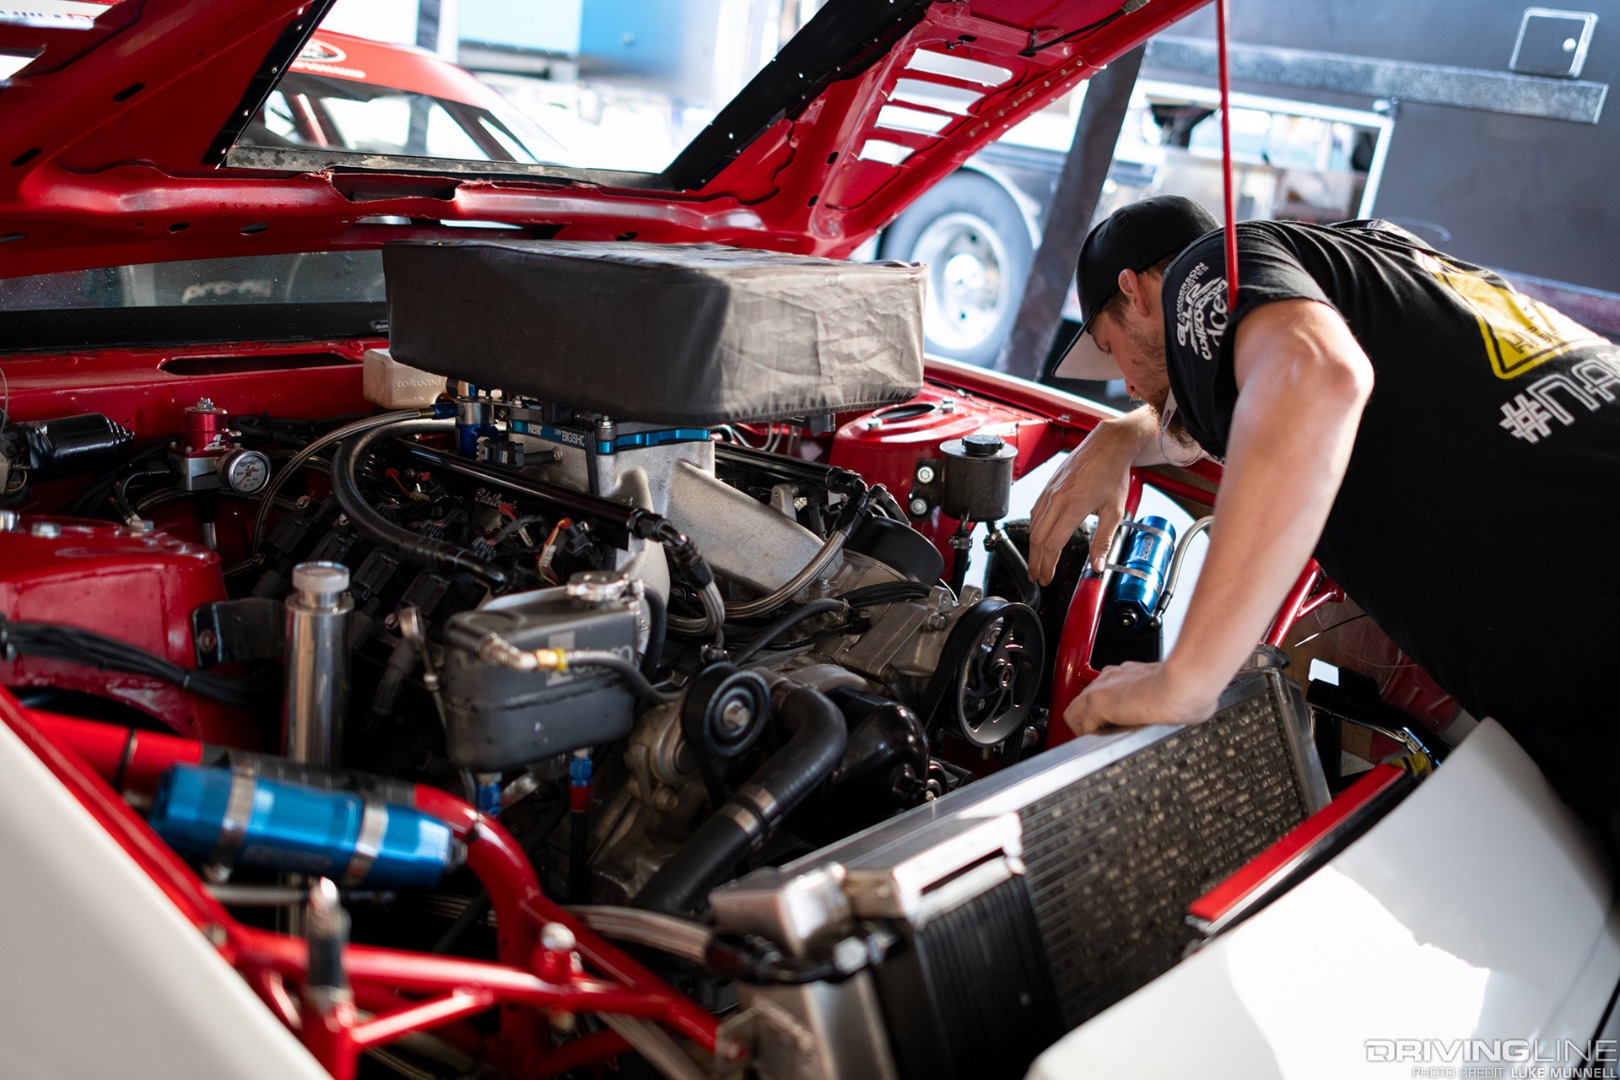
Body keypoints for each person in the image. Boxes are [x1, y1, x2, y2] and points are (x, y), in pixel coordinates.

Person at [1027, 195, 1619, 832]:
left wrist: (1185, 678)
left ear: (1135, 291)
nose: (1127, 385)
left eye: (1111, 347)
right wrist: (1122, 434)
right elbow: (1250, 388)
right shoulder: (1372, 252)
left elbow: (1313, 372)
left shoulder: (1204, 270)